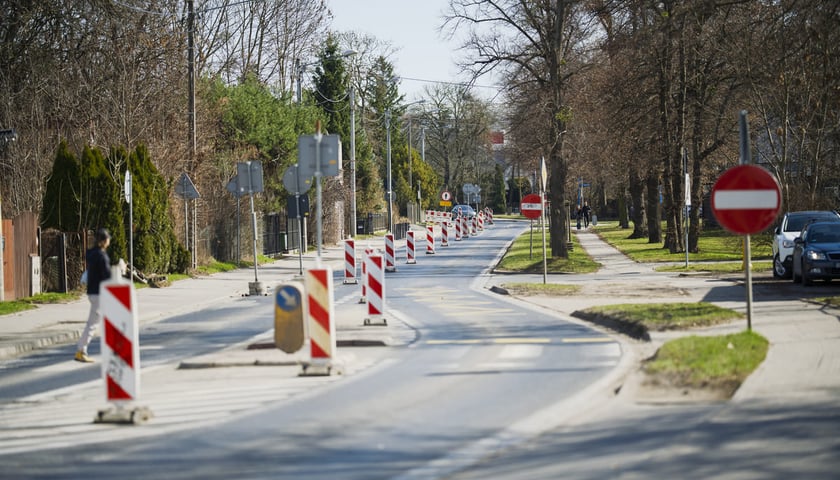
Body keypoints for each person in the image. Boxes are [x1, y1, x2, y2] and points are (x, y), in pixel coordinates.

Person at [75, 228, 111, 363]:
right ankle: (81, 350)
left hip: (92, 292)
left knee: (97, 321)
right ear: (103, 241)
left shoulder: (92, 254)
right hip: (99, 293)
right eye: (107, 239)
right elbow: (106, 276)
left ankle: (82, 349)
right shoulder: (101, 256)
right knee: (93, 324)